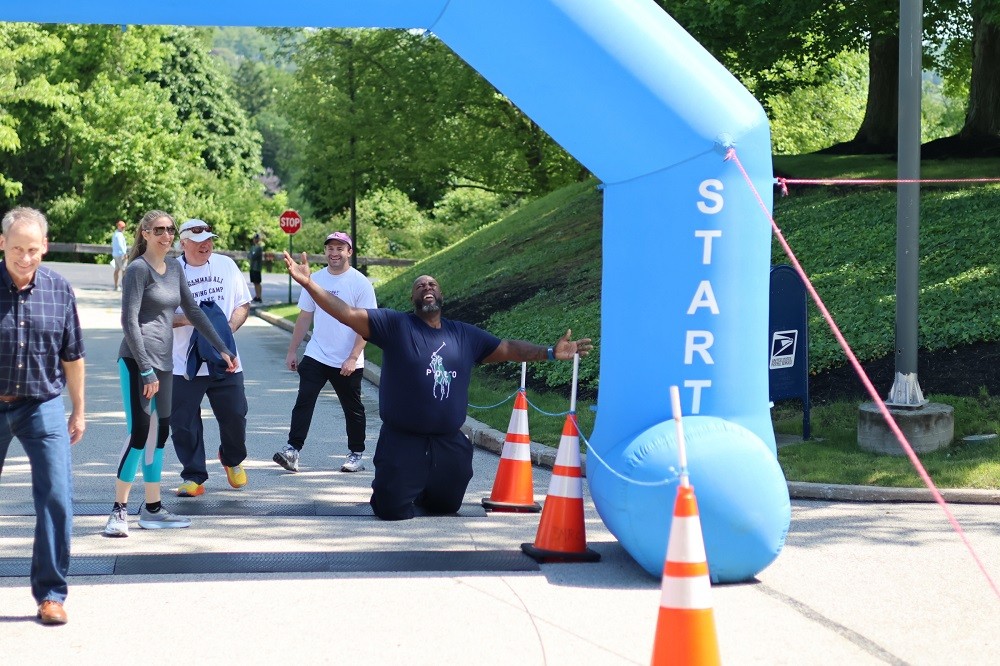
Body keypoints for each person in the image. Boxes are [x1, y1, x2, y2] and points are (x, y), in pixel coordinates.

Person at [283, 253, 593, 520]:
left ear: (441, 295)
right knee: (390, 511)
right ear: (413, 299)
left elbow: (509, 347)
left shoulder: (464, 335)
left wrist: (550, 352)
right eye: (420, 286)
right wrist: (310, 283)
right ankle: (403, 484)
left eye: (432, 284)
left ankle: (426, 485)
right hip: (403, 440)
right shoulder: (395, 326)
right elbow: (347, 314)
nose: (426, 288)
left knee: (446, 507)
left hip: (448, 441)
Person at [104, 210, 237, 538]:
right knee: (139, 432)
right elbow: (129, 320)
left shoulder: (175, 268)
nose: (165, 235)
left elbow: (193, 311)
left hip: (165, 364)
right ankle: (118, 511)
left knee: (159, 435)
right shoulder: (138, 269)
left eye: (169, 230)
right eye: (158, 230)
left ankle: (152, 509)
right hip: (139, 361)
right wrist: (146, 369)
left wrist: (221, 347)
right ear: (145, 234)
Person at [0, 207, 86, 625]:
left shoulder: (59, 289)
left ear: (45, 247)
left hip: (42, 404)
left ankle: (51, 594)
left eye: (33, 249)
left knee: (56, 495)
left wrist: (79, 411)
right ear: (2, 244)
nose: (25, 258)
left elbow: (73, 356)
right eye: (17, 248)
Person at [273, 232, 377, 474]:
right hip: (317, 354)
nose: (334, 253)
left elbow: (368, 325)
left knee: (353, 408)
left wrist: (352, 357)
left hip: (347, 359)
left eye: (340, 248)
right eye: (330, 248)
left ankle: (356, 454)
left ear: (349, 252)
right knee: (304, 401)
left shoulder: (360, 283)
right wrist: (292, 350)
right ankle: (292, 451)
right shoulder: (314, 279)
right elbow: (304, 316)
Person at [171, 219, 252, 497]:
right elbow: (157, 317)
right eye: (197, 241)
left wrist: (225, 329)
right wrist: (193, 321)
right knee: (183, 423)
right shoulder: (169, 272)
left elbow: (243, 304)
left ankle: (231, 459)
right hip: (183, 362)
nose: (205, 244)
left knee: (235, 415)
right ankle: (194, 476)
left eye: (208, 239)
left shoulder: (226, 265)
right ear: (183, 243)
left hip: (225, 359)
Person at [111, 219, 128, 291]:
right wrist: (124, 253)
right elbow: (121, 245)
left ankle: (116, 286)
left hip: (115, 254)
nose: (123, 228)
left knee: (117, 270)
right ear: (118, 226)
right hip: (121, 254)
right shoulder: (119, 235)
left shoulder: (115, 234)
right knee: (124, 270)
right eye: (122, 227)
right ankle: (125, 286)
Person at [248, 233, 264, 304]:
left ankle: (259, 296)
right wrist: (251, 255)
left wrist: (251, 255)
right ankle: (256, 296)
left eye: (257, 239)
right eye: (255, 238)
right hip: (252, 267)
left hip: (257, 268)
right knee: (254, 282)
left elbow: (252, 257)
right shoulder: (252, 247)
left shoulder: (259, 248)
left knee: (258, 282)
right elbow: (249, 256)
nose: (255, 240)